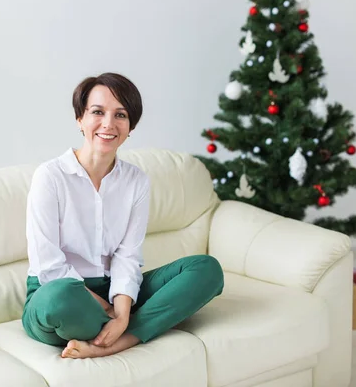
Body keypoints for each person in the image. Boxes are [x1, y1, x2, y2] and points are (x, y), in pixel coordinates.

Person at [22, 72, 224, 359]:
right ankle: (130, 327)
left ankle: (117, 341)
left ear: (130, 127)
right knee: (61, 298)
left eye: (121, 115)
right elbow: (48, 265)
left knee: (206, 269)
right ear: (80, 119)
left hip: (114, 290)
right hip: (56, 293)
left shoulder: (136, 181)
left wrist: (122, 313)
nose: (108, 124)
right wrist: (110, 312)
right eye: (97, 112)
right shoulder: (50, 177)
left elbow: (127, 256)